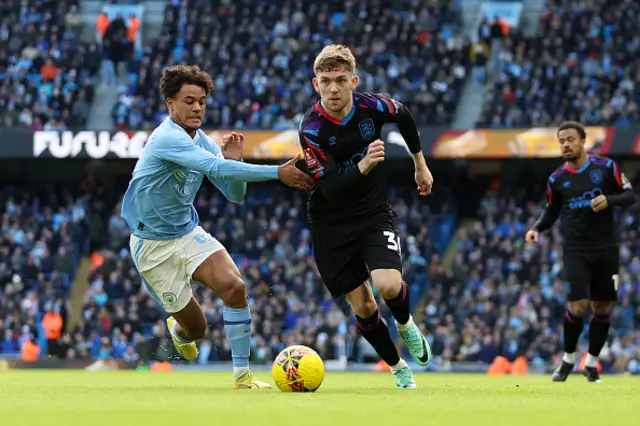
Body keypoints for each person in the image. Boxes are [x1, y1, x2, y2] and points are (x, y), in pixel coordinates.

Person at [121, 65, 314, 389]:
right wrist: (276, 173)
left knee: (235, 287)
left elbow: (233, 194)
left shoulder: (204, 141)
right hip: (152, 246)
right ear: (170, 104)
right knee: (197, 330)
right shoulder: (166, 139)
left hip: (186, 232)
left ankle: (242, 376)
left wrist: (235, 163)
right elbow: (213, 166)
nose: (197, 108)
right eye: (189, 101)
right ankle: (178, 330)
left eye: (202, 101)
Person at [297, 45, 434, 389]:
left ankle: (404, 323)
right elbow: (330, 189)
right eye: (326, 81)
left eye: (340, 80)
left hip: (372, 213)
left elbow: (403, 114)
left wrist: (420, 164)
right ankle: (398, 367)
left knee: (388, 285)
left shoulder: (372, 107)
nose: (333, 88)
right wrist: (365, 164)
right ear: (316, 84)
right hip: (330, 223)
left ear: (353, 81)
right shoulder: (311, 129)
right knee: (364, 305)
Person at [525, 121, 636, 383]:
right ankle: (568, 358)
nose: (565, 144)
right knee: (576, 305)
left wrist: (610, 199)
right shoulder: (557, 179)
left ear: (583, 141)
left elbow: (630, 196)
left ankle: (592, 363)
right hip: (575, 249)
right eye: (561, 140)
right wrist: (537, 228)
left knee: (602, 306)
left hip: (606, 248)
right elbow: (552, 210)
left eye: (570, 139)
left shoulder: (606, 168)